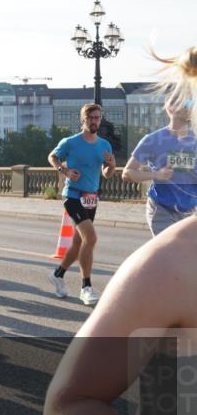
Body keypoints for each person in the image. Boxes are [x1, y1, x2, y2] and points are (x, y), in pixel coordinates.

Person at [43, 45, 197, 415]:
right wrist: (156, 175)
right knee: (87, 241)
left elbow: (114, 165)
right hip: (167, 219)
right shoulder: (175, 262)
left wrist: (107, 165)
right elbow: (68, 407)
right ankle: (78, 280)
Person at [47, 104, 117, 305]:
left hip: (91, 197)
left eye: (97, 117)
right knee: (91, 238)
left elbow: (106, 174)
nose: (94, 121)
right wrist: (64, 170)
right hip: (73, 196)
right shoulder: (70, 142)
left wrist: (112, 166)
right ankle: (86, 287)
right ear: (83, 120)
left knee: (79, 244)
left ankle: (58, 274)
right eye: (90, 118)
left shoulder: (104, 145)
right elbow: (52, 156)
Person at [122, 94, 196, 236]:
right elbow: (127, 173)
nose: (190, 106)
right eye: (185, 103)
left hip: (190, 211)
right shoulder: (153, 140)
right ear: (171, 108)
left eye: (191, 103)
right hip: (162, 209)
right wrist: (156, 174)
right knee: (171, 254)